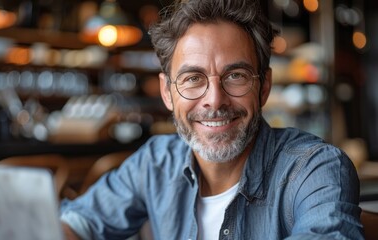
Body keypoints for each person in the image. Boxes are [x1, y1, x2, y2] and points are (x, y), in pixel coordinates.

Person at [60, 0, 364, 239]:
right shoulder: (154, 163)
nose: (215, 100)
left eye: (235, 76)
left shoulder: (315, 168)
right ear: (167, 92)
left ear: (264, 86)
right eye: (193, 78)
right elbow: (76, 225)